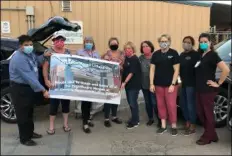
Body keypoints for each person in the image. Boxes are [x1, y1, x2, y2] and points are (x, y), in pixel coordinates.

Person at [9, 35, 50, 146]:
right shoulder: (19, 59)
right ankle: (24, 138)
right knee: (23, 115)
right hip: (20, 88)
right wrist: (43, 90)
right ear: (20, 46)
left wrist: (44, 56)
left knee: (29, 112)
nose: (29, 47)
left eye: (31, 44)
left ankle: (30, 133)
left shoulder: (29, 54)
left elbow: (36, 61)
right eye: (26, 45)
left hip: (28, 88)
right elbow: (30, 77)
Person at [195, 33, 230, 145]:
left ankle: (207, 137)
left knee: (207, 114)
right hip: (199, 89)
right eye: (201, 42)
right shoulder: (201, 55)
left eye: (205, 41)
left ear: (210, 42)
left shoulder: (213, 55)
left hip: (207, 90)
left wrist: (218, 83)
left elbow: (226, 69)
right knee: (200, 113)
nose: (203, 43)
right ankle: (213, 135)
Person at [150, 34, 180, 136]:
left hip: (170, 85)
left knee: (171, 105)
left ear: (169, 42)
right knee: (160, 105)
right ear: (159, 43)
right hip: (158, 85)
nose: (163, 43)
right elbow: (152, 70)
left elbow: (176, 70)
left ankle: (173, 125)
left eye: (165, 41)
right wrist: (151, 83)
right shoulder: (155, 55)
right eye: (161, 41)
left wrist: (172, 84)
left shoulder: (174, 53)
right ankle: (163, 126)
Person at [42, 34, 72, 135]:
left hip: (65, 82)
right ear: (54, 41)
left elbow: (71, 66)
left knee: (66, 104)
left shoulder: (67, 52)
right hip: (53, 83)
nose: (60, 42)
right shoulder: (49, 52)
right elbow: (45, 67)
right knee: (53, 105)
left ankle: (66, 124)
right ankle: (51, 126)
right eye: (58, 40)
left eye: (62, 40)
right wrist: (46, 80)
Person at [77, 36, 101, 133]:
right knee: (85, 102)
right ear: (84, 43)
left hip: (93, 80)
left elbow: (100, 65)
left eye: (90, 42)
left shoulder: (96, 53)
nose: (88, 43)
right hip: (84, 80)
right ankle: (85, 123)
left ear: (93, 43)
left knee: (91, 101)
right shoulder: (80, 52)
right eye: (87, 41)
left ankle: (88, 119)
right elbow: (76, 64)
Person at [179, 36, 201, 135]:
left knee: (190, 105)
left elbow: (199, 69)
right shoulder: (181, 55)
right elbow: (179, 70)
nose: (186, 44)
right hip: (183, 84)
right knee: (183, 104)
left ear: (192, 44)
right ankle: (187, 121)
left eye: (188, 42)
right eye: (184, 42)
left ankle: (192, 124)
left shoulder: (196, 55)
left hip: (192, 84)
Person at [102, 37, 124, 127]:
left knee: (115, 99)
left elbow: (125, 65)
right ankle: (106, 118)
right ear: (109, 45)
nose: (114, 45)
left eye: (115, 43)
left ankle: (114, 116)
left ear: (118, 44)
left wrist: (121, 68)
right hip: (108, 79)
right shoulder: (106, 54)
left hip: (118, 79)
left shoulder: (122, 54)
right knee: (108, 99)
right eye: (112, 43)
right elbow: (101, 64)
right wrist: (104, 60)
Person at [139, 40, 161, 127]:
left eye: (147, 46)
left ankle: (160, 119)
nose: (145, 48)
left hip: (154, 85)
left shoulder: (155, 56)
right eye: (143, 46)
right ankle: (150, 118)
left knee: (155, 103)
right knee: (148, 103)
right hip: (144, 84)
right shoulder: (140, 58)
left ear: (151, 47)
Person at [121, 41, 141, 129]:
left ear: (133, 49)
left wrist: (124, 82)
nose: (127, 50)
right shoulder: (127, 58)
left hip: (134, 85)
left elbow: (131, 73)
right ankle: (134, 117)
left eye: (129, 48)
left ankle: (135, 121)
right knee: (130, 102)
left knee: (133, 103)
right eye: (125, 49)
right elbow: (124, 69)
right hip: (128, 85)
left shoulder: (134, 59)